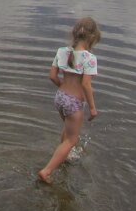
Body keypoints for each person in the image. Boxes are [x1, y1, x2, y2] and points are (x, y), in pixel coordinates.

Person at [37, 17, 101, 184]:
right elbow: (86, 85)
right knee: (72, 140)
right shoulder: (89, 58)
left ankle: (64, 156)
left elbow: (52, 76)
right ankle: (47, 171)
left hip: (59, 97)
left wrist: (63, 90)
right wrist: (93, 108)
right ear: (92, 37)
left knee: (67, 131)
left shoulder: (61, 51)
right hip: (73, 103)